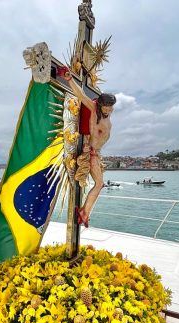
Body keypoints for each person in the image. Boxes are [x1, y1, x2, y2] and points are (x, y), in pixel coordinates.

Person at [58, 65, 116, 227]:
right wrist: (69, 79)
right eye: (107, 106)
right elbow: (80, 95)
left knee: (99, 184)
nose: (110, 109)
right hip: (91, 154)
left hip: (96, 154)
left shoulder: (105, 115)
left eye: (111, 106)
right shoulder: (93, 110)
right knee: (99, 184)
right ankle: (84, 213)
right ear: (101, 105)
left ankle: (85, 212)